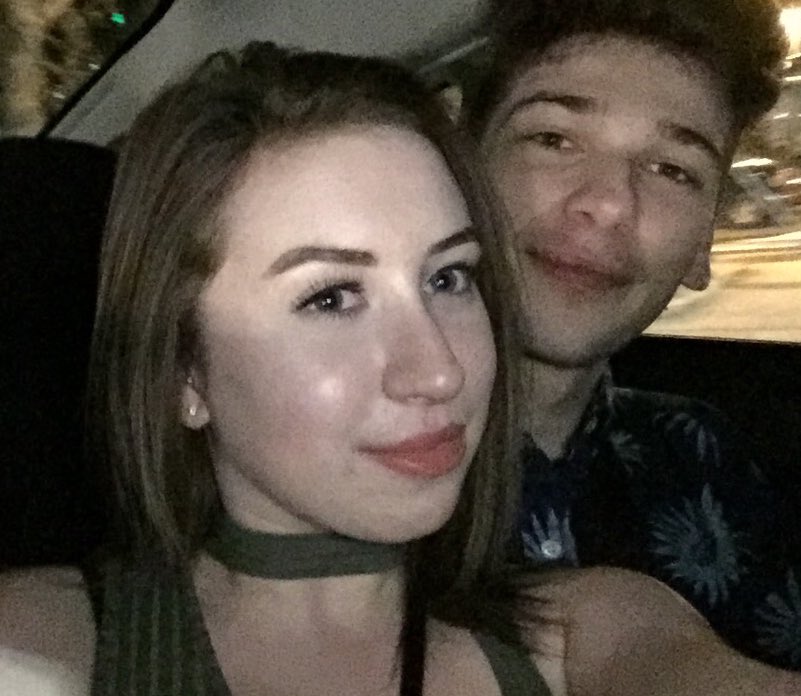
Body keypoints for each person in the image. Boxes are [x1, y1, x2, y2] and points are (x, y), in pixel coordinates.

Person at [1, 41, 800, 696]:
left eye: (448, 278)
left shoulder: (582, 624)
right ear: (184, 370)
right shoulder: (45, 644)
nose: (439, 372)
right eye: (330, 297)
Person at [466, 0, 800, 671]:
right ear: (456, 172)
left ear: (702, 246)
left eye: (672, 170)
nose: (610, 203)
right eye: (553, 139)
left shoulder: (702, 457)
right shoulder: (312, 477)